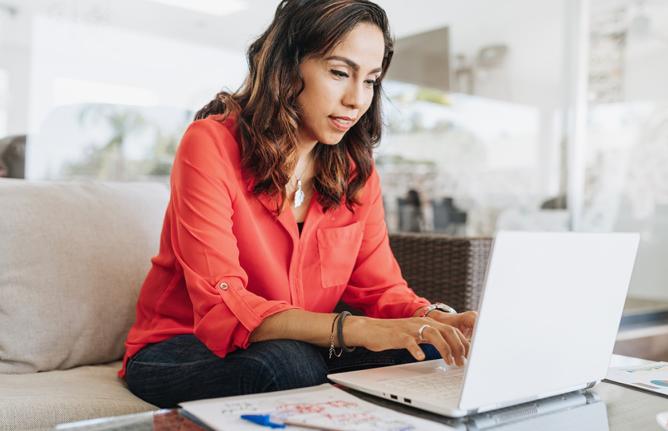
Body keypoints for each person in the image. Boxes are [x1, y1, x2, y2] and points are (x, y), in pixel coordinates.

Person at [121, 0, 477, 408]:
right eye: (340, 73)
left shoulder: (356, 173)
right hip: (182, 347)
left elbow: (380, 288)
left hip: (303, 344)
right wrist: (356, 331)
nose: (356, 100)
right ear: (287, 67)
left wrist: (436, 320)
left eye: (370, 81)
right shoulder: (210, 144)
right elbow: (223, 306)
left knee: (429, 350)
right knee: (289, 364)